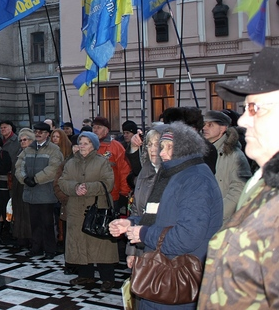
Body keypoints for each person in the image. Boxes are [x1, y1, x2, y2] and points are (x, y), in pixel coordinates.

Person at [198, 47, 279, 308]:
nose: (243, 120)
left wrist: (219, 217)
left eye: (255, 108)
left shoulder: (238, 158)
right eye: (245, 108)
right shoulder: (264, 184)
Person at [111, 122, 223, 309]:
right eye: (160, 146)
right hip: (162, 273)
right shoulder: (176, 174)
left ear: (184, 148)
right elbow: (160, 216)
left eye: (167, 148)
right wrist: (130, 223)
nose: (161, 153)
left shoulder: (195, 179)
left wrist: (144, 234)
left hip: (179, 280)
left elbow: (187, 237)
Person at [58, 131, 117, 292]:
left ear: (94, 146)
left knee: (101, 244)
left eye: (86, 143)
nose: (82, 146)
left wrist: (88, 188)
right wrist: (75, 187)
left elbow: (108, 183)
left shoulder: (102, 162)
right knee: (80, 243)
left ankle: (107, 278)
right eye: (81, 142)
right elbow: (62, 182)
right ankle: (86, 274)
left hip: (98, 208)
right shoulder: (71, 163)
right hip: (76, 209)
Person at [110, 129, 161, 272]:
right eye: (149, 144)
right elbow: (136, 213)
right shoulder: (144, 173)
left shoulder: (173, 176)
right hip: (140, 245)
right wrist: (131, 251)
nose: (153, 149)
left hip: (162, 250)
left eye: (157, 144)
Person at [15, 121, 64, 259]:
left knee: (47, 224)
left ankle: (50, 249)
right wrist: (24, 179)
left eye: (41, 132)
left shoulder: (54, 150)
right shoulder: (28, 149)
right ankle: (36, 248)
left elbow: (54, 169)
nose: (38, 134)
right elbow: (19, 166)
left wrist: (36, 179)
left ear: (47, 134)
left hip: (46, 193)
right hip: (31, 194)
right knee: (34, 223)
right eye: (36, 132)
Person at [202, 110, 249, 222]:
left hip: (222, 220)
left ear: (222, 129)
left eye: (210, 125)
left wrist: (219, 213)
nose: (205, 128)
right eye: (204, 124)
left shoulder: (235, 155)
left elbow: (239, 188)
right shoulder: (199, 152)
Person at [92, 117, 131, 212]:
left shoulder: (116, 147)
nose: (95, 130)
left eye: (99, 127)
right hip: (91, 194)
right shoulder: (88, 146)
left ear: (106, 130)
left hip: (112, 195)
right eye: (94, 127)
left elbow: (124, 171)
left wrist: (124, 193)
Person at [11, 128, 34, 248]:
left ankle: (31, 238)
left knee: (28, 213)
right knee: (18, 211)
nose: (22, 142)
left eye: (25, 139)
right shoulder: (18, 153)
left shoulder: (34, 152)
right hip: (17, 185)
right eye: (20, 140)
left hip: (29, 185)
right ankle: (20, 237)